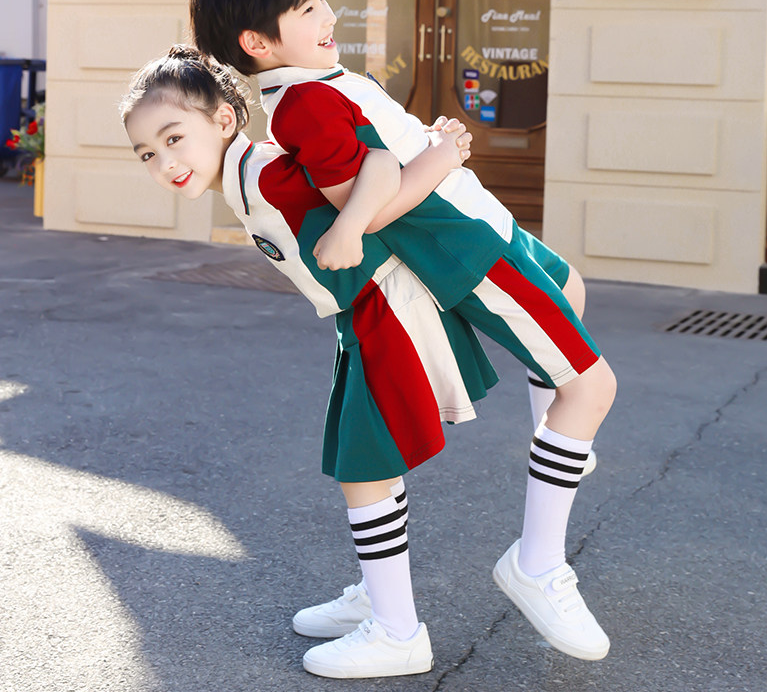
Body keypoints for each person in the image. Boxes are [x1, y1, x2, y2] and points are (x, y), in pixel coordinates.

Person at [188, 0, 616, 676]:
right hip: (466, 250)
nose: (329, 15)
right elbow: (368, 206)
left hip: (485, 228)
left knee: (570, 294)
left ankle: (560, 454)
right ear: (257, 43)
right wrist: (440, 157)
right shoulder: (304, 106)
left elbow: (381, 160)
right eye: (308, 9)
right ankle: (538, 563)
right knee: (592, 386)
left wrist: (433, 153)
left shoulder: (318, 83)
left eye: (322, 0)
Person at [121, 45, 507, 678]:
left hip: (385, 309)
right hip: (362, 315)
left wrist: (436, 159)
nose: (165, 162)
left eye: (173, 138)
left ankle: (398, 632)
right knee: (365, 463)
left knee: (363, 466)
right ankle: (380, 598)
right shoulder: (245, 181)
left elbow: (375, 165)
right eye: (147, 154)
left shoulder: (267, 172)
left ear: (224, 119)